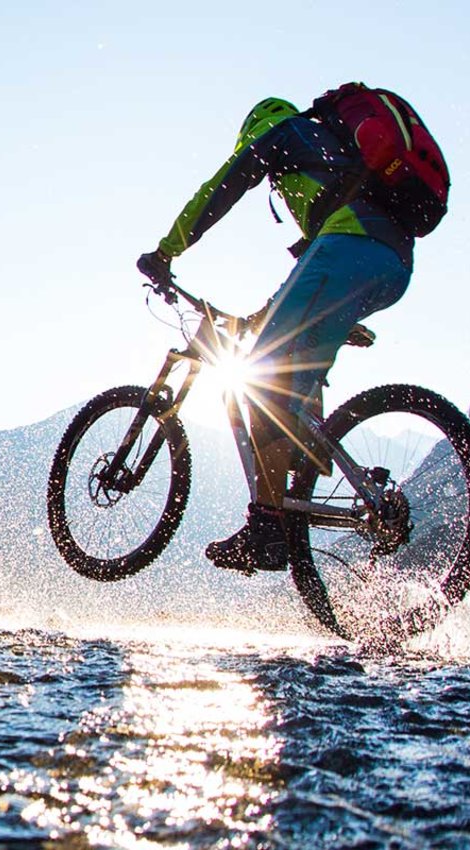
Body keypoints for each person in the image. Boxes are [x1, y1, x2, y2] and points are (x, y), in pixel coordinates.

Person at [136, 96, 418, 572]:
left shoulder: (284, 136)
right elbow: (305, 281)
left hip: (350, 251)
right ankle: (303, 471)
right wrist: (258, 318)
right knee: (290, 369)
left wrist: (165, 252)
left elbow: (219, 190)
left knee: (262, 382)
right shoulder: (334, 169)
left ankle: (267, 527)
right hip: (391, 263)